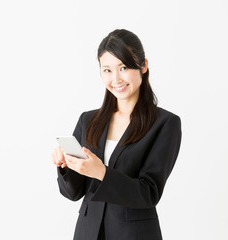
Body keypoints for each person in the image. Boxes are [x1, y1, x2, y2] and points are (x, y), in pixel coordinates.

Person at [51, 29, 182, 240]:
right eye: (107, 70)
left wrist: (102, 172)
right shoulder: (88, 120)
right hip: (88, 232)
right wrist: (66, 167)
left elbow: (149, 193)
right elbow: (73, 193)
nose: (116, 79)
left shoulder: (165, 123)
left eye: (123, 67)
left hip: (134, 234)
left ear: (143, 65)